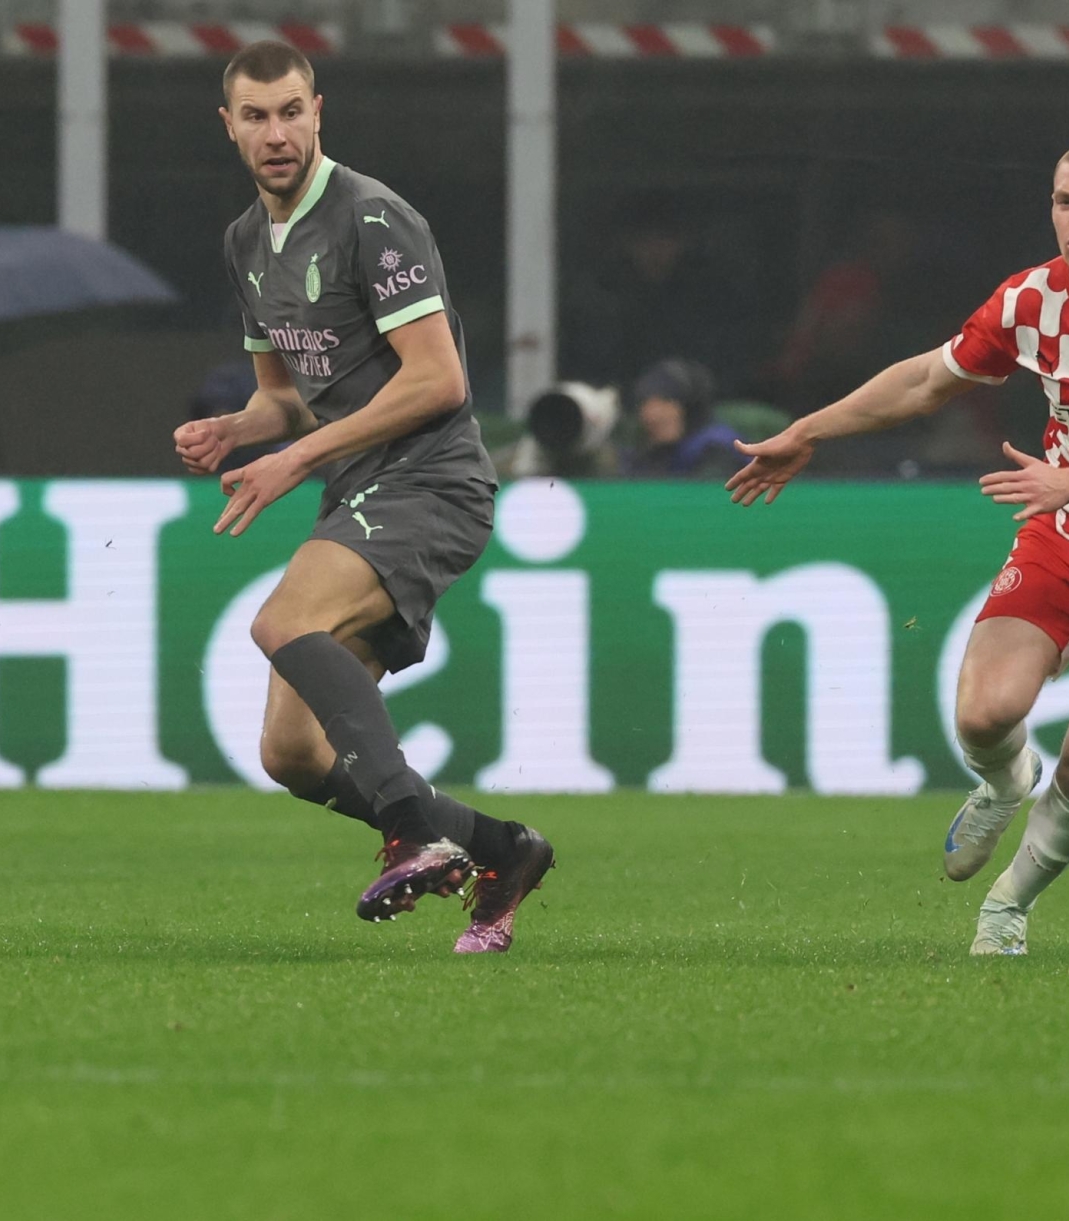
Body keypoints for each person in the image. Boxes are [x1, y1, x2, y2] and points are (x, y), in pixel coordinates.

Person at [727, 139, 1069, 956]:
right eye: (1065, 201)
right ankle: (1003, 783)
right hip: (1068, 535)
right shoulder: (1030, 300)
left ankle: (1007, 907)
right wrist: (808, 431)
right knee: (985, 711)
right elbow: (928, 380)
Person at [174, 41, 553, 953]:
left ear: (318, 112)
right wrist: (241, 427)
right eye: (256, 116)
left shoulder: (372, 218)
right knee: (292, 755)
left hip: (432, 479)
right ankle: (500, 850)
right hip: (361, 485)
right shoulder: (243, 243)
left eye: (292, 111)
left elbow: (439, 383)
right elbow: (285, 394)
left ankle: (413, 831)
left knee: (279, 620)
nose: (277, 133)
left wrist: (296, 457)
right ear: (228, 126)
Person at [619, 358, 749, 480]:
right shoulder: (652, 451)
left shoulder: (718, 447)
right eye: (645, 403)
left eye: (666, 401)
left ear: (688, 407)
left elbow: (702, 494)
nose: (651, 415)